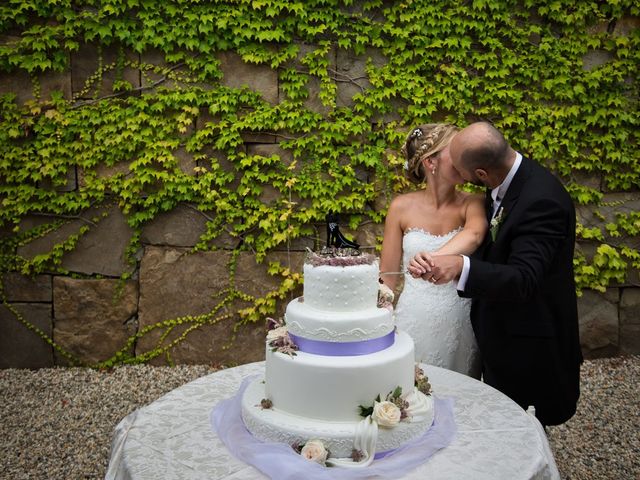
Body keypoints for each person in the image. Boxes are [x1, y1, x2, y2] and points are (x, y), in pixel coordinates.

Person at [409, 121, 582, 426]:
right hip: (498, 337)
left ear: (481, 175)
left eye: (463, 173)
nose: (460, 178)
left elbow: (524, 278)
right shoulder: (501, 182)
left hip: (530, 348)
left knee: (523, 431)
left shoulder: (543, 199)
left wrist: (461, 266)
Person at [380, 123, 487, 378]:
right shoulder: (400, 208)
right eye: (456, 151)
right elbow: (389, 275)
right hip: (414, 318)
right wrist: (378, 323)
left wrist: (432, 257)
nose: (465, 158)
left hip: (461, 321)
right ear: (431, 162)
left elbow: (474, 234)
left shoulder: (473, 202)